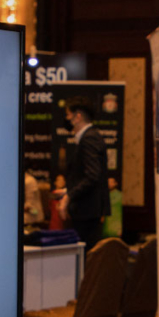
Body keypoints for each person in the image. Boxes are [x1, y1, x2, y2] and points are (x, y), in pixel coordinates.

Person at [59, 97, 109, 249]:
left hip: (87, 211)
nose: (66, 119)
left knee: (85, 256)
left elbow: (92, 175)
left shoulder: (89, 138)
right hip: (87, 211)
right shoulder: (89, 137)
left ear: (78, 116)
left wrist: (69, 196)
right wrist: (67, 190)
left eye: (68, 114)